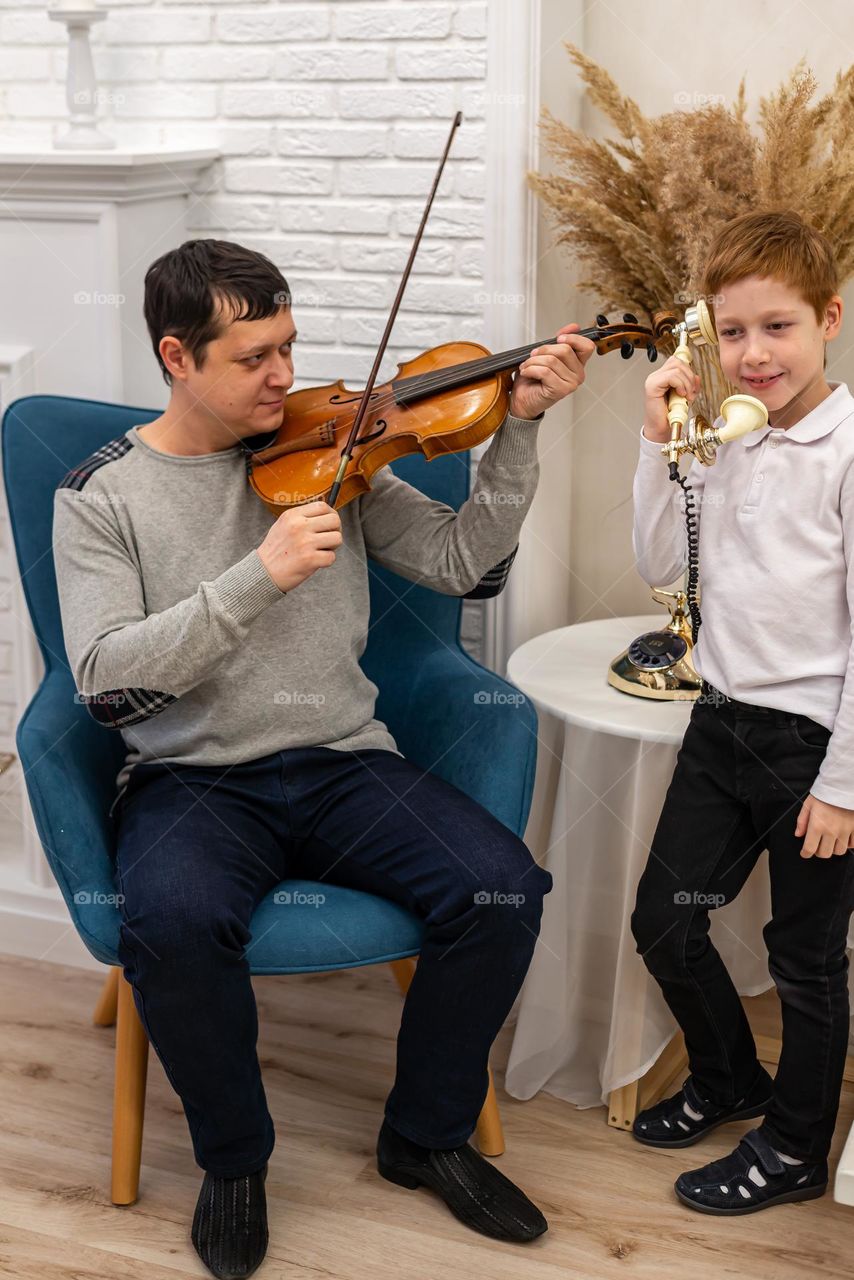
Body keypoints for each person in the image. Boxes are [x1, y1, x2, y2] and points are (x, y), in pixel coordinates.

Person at [52, 238, 595, 1278]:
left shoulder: (330, 450)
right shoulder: (99, 495)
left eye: (288, 346)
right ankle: (236, 1160)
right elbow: (107, 681)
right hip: (191, 777)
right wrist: (258, 575)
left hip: (345, 758)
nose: (285, 378)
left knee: (500, 889)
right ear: (177, 356)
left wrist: (517, 429)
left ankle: (424, 1134)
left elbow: (461, 566)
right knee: (168, 919)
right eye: (253, 357)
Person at [629, 208, 854, 1215]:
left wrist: (845, 785)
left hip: (813, 745)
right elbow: (651, 566)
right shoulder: (720, 437)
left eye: (777, 327)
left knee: (802, 960)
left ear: (828, 321)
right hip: (719, 719)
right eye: (731, 332)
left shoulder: (844, 451)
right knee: (662, 921)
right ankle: (728, 1075)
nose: (752, 353)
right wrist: (654, 444)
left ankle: (796, 1142)